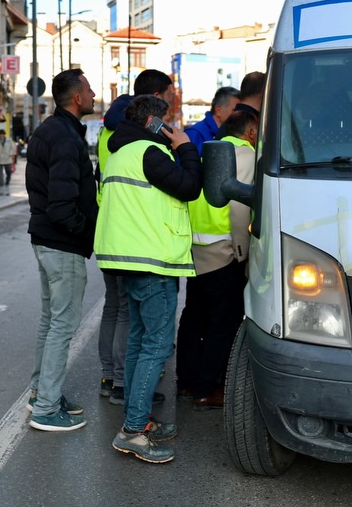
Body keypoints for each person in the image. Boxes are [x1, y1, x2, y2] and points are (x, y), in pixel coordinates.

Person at [95, 94, 201, 463]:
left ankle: (136, 419)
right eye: (165, 122)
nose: (169, 128)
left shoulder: (120, 151)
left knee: (140, 343)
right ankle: (133, 430)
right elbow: (190, 187)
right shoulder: (149, 152)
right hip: (153, 262)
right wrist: (185, 147)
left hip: (130, 260)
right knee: (155, 346)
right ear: (153, 122)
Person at [24, 69, 98, 432]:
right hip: (61, 243)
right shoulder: (66, 138)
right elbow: (62, 205)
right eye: (90, 89)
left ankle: (41, 392)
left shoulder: (48, 130)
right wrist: (86, 231)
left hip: (45, 239)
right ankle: (46, 409)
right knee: (62, 325)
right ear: (77, 98)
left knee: (50, 321)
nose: (94, 94)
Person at [95, 69, 174, 404]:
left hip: (110, 226)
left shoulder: (109, 131)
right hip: (134, 229)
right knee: (130, 315)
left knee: (114, 307)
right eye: (168, 96)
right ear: (155, 99)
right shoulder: (142, 138)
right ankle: (123, 386)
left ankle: (110, 378)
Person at [175, 108, 257, 408]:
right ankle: (207, 388)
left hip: (198, 249)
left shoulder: (208, 152)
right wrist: (242, 253)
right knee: (224, 323)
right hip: (223, 252)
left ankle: (186, 382)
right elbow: (239, 207)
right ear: (251, 131)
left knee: (194, 317)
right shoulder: (246, 155)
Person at [185, 85, 239, 154]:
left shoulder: (233, 132)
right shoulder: (194, 134)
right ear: (218, 110)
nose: (239, 114)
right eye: (235, 110)